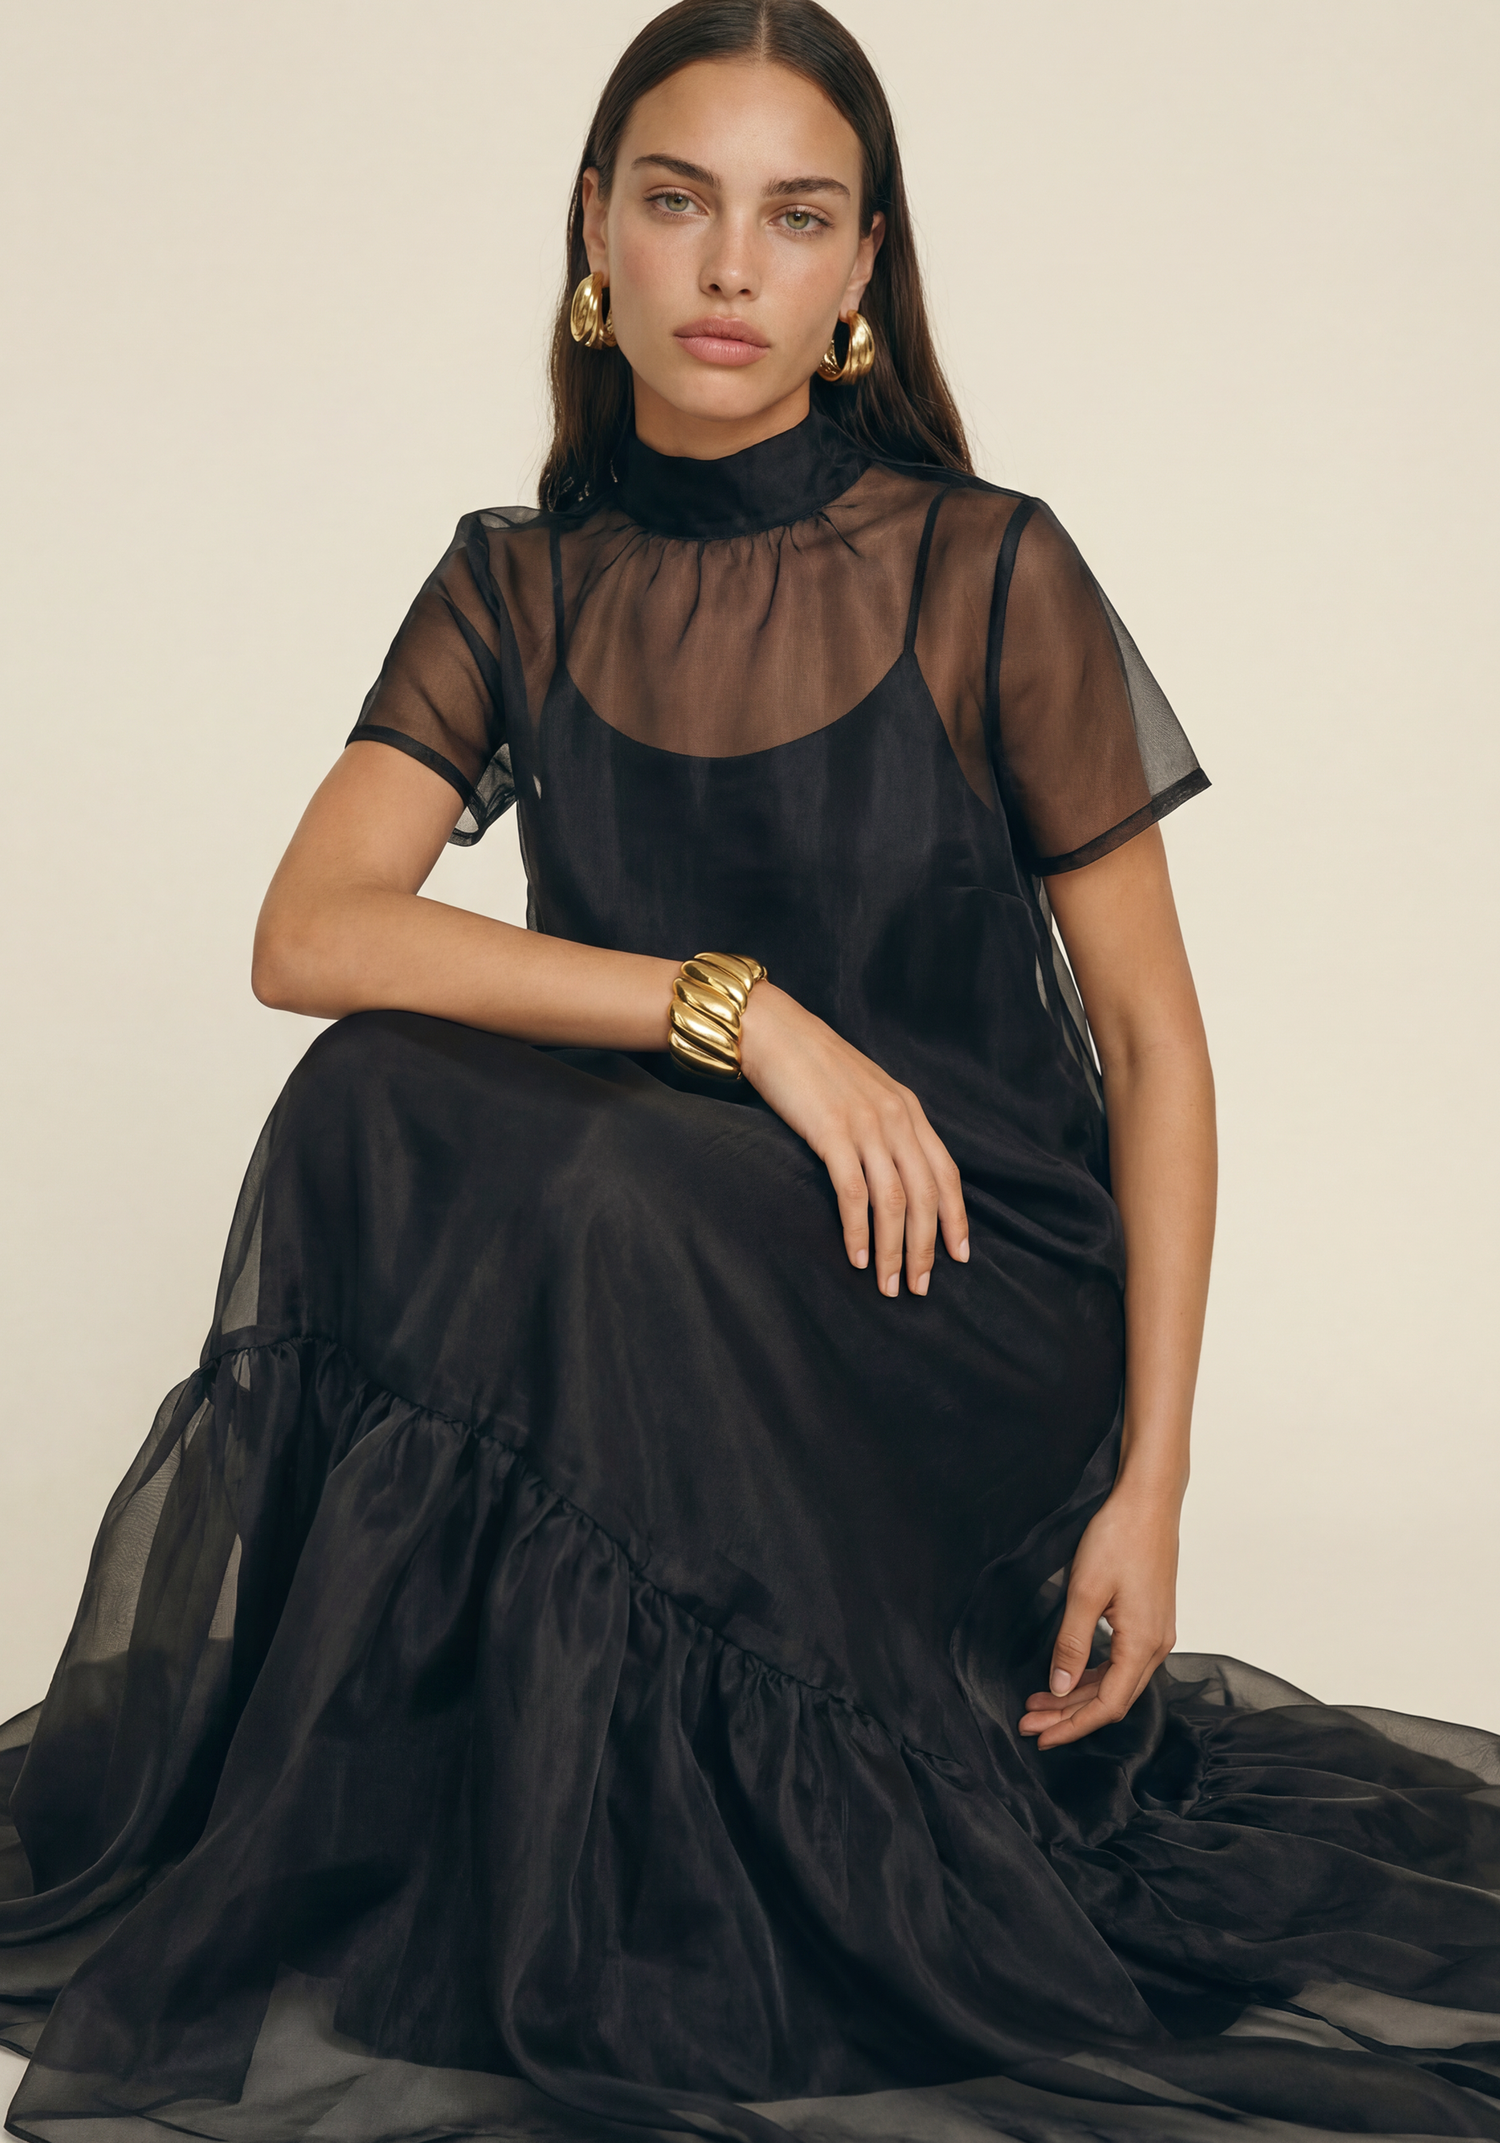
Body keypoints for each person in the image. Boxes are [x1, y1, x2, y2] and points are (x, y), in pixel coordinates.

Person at [1, 2, 1496, 2138]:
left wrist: (1153, 1486)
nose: (729, 269)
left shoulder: (987, 568)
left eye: (796, 219)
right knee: (373, 1099)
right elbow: (308, 933)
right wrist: (742, 1015)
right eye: (679, 200)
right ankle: (490, 1814)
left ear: (863, 269)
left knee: (606, 1190)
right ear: (592, 231)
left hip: (957, 1282)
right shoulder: (517, 584)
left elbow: (1158, 1046)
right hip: (659, 1250)